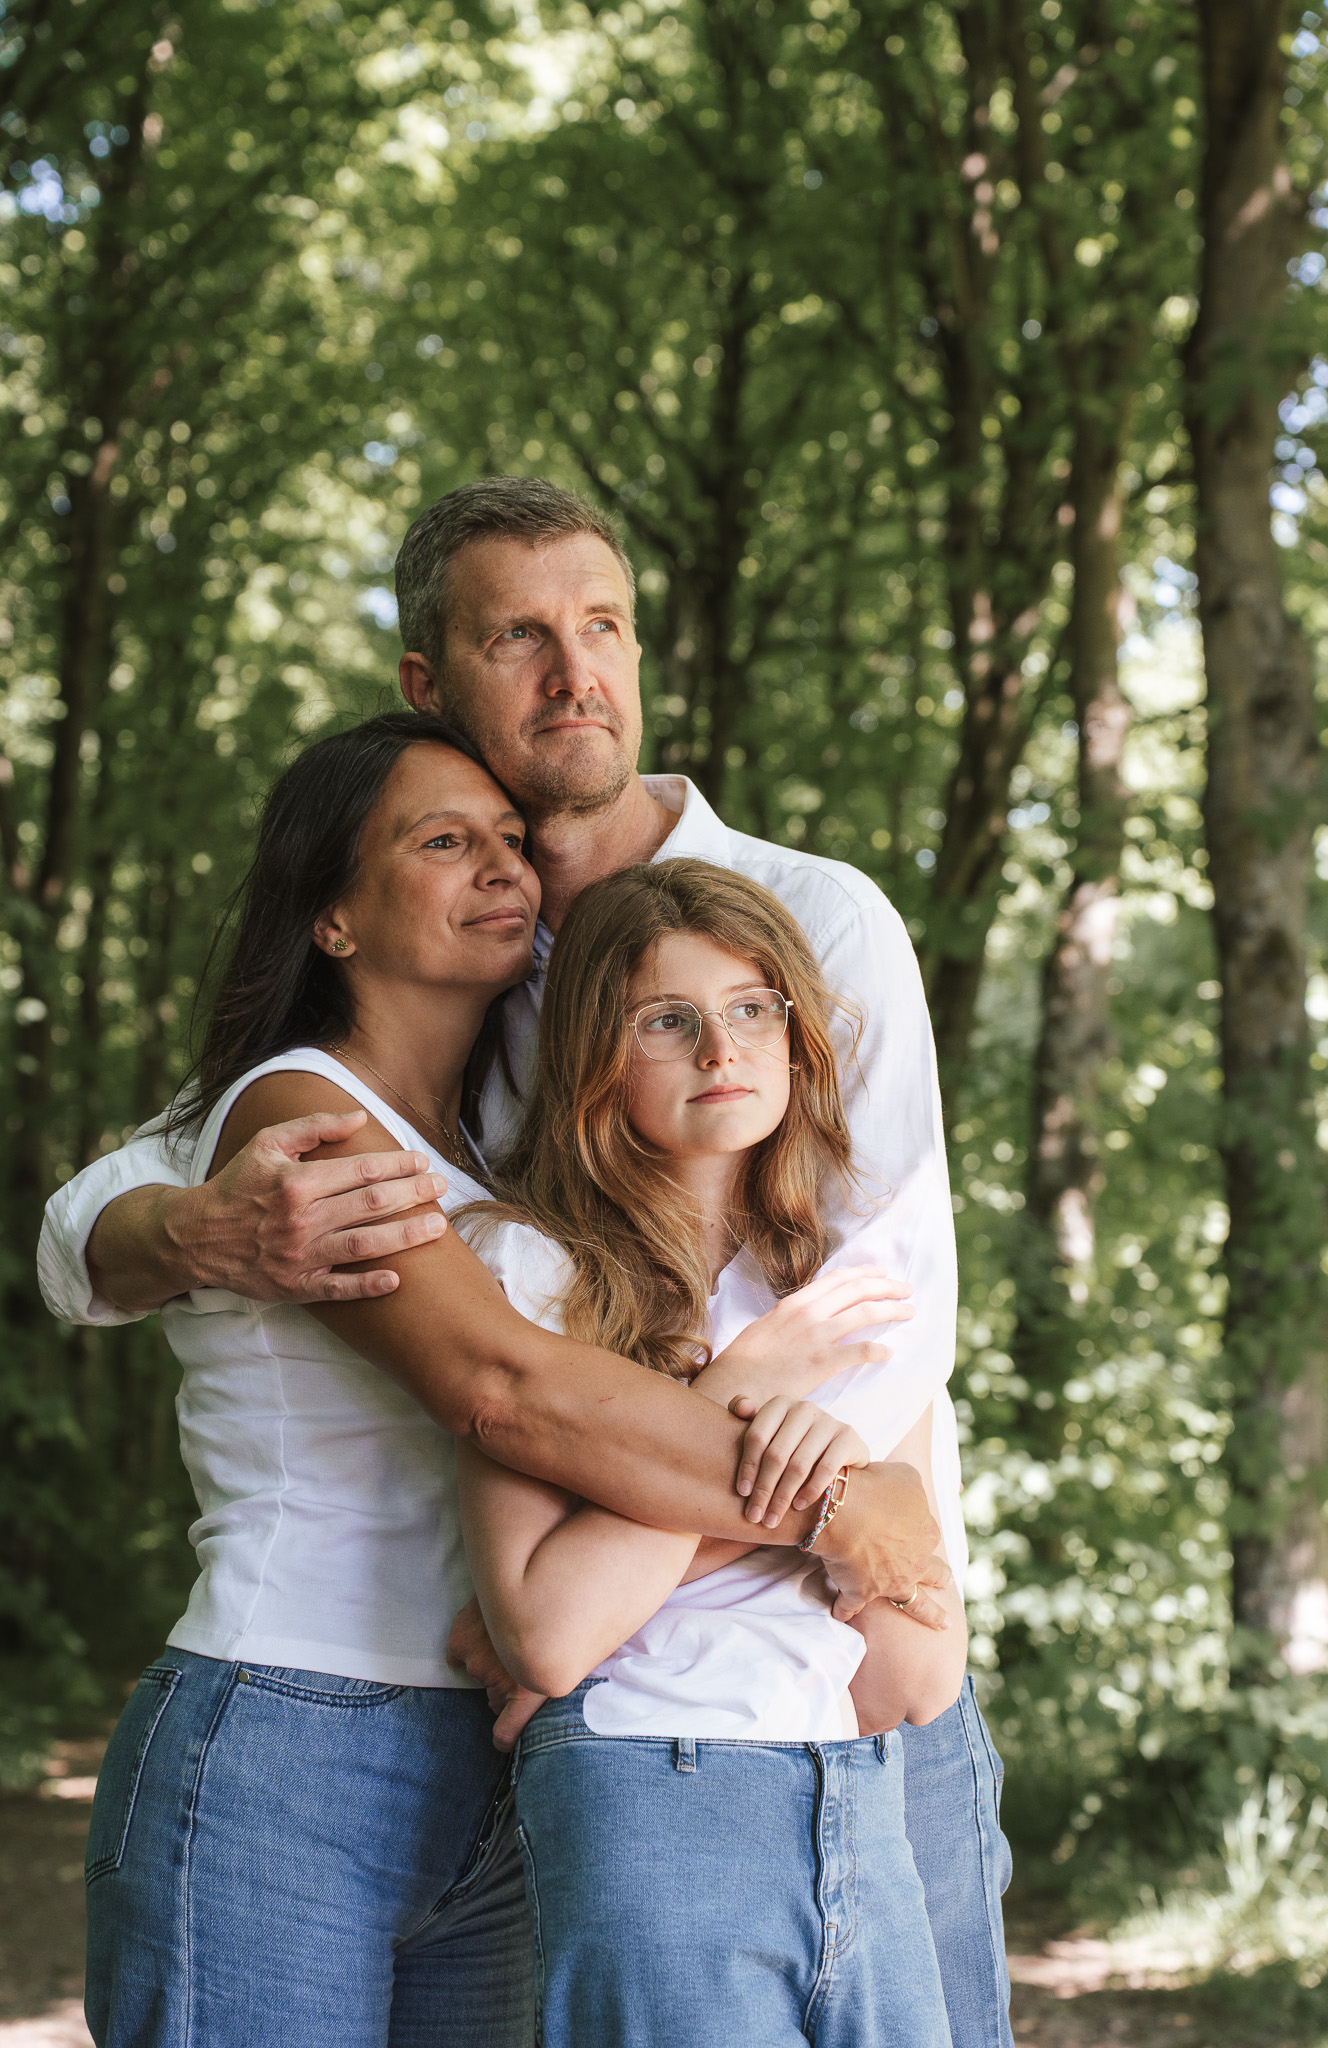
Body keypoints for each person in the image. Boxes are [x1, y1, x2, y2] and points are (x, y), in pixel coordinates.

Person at [39, 476, 1013, 2048]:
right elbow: (148, 1200)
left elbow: (889, 1324)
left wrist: (847, 1562)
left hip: (842, 1667)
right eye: (520, 637)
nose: (576, 674)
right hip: (593, 1722)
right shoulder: (464, 1006)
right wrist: (171, 1230)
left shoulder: (810, 925)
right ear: (431, 680)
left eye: (604, 626)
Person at [456, 856, 966, 2046]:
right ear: (593, 1052)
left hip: (849, 1788)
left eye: (751, 1008)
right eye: (668, 1021)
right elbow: (554, 1629)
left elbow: (915, 1675)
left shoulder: (846, 1298)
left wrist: (856, 1502)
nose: (722, 1048)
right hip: (651, 1784)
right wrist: (745, 1401)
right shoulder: (532, 1270)